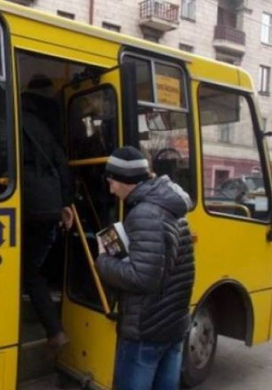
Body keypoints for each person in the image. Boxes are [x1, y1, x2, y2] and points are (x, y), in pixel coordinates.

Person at [96, 146, 195, 390]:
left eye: (112, 181)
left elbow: (142, 278)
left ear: (126, 180)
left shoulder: (144, 214)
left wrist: (104, 261)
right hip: (172, 324)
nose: (111, 188)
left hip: (146, 328)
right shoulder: (169, 206)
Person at [20, 87, 73, 353]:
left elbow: (1, 161)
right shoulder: (44, 128)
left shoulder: (9, 120)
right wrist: (65, 203)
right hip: (50, 206)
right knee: (30, 271)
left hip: (27, 206)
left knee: (24, 271)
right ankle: (54, 330)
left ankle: (52, 330)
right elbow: (61, 165)